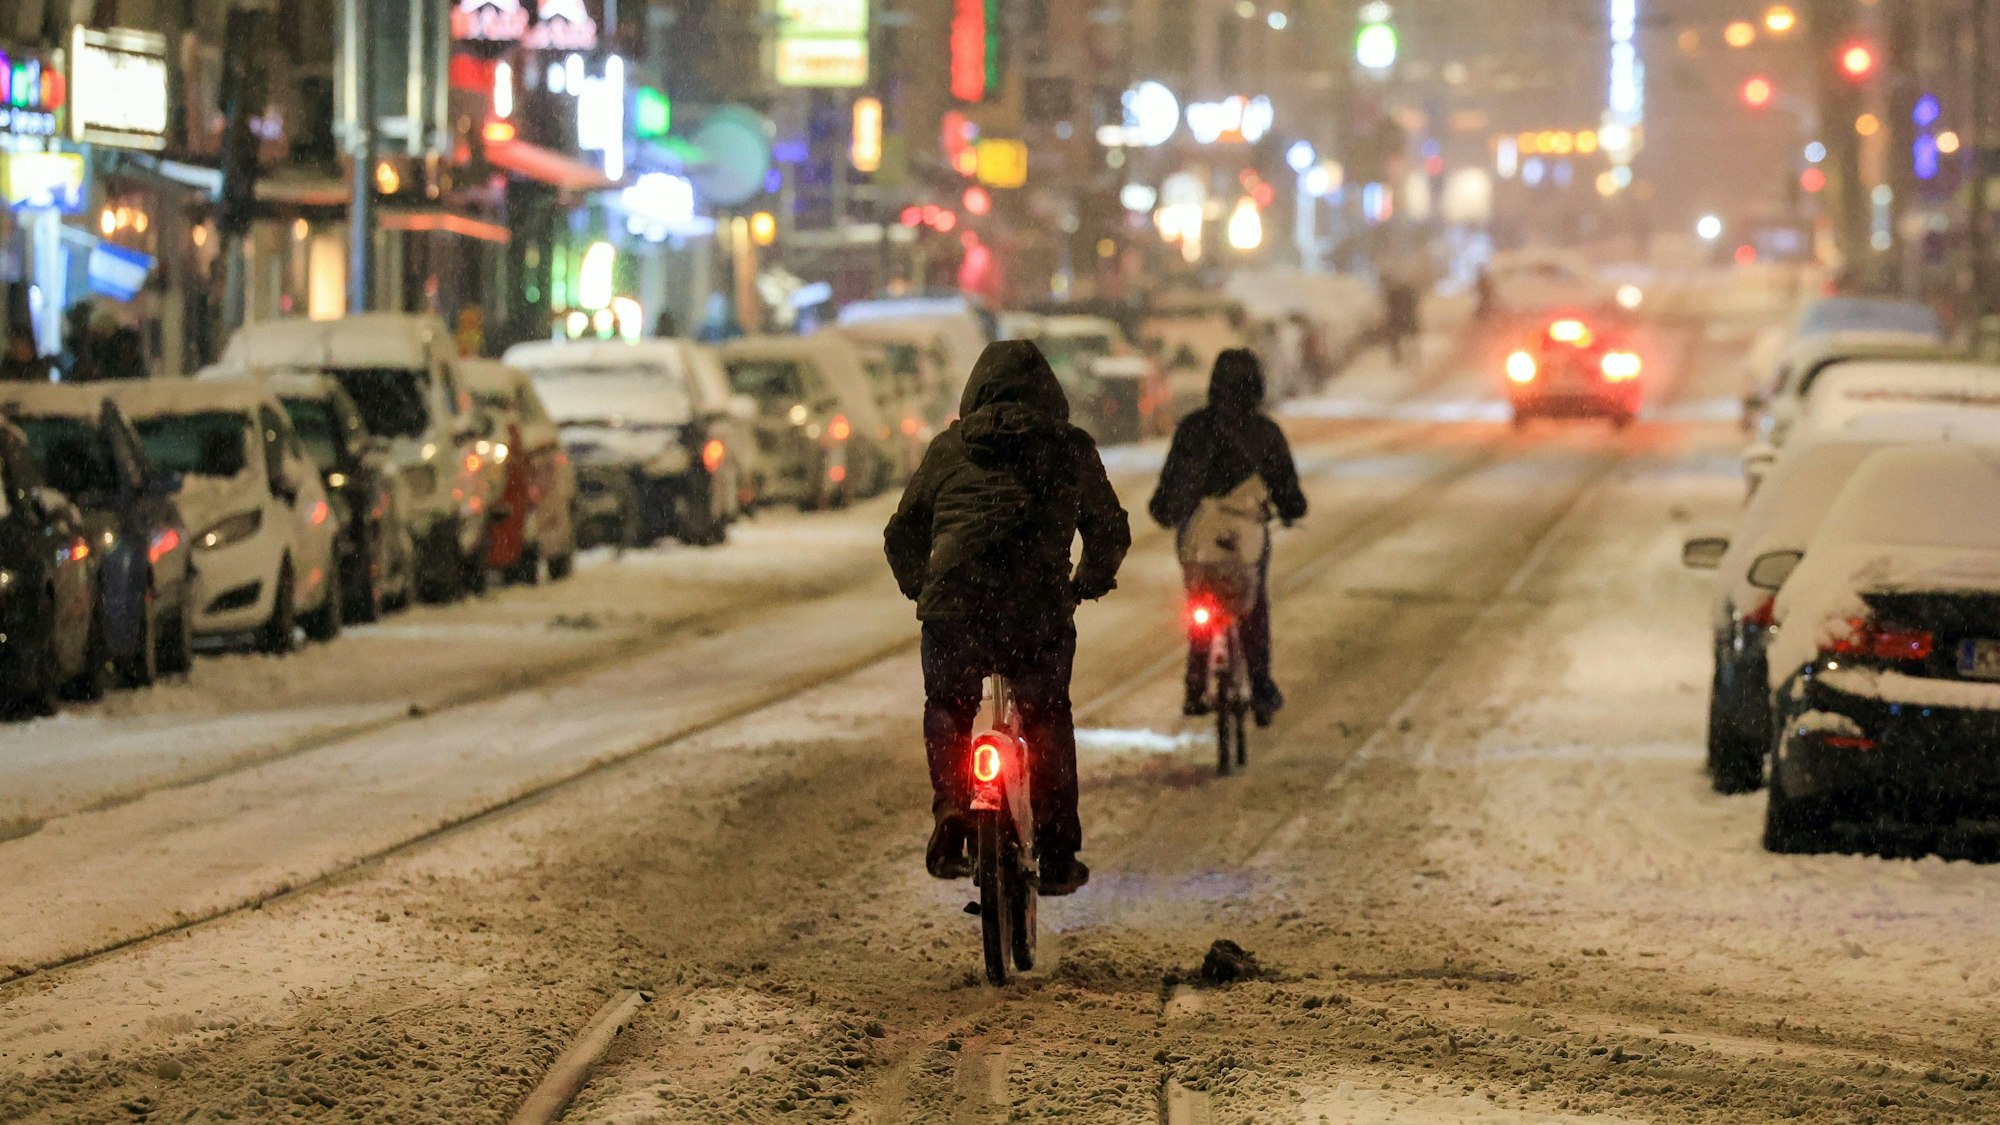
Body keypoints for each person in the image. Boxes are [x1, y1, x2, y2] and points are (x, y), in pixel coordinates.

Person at [884, 340, 1130, 896]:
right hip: (1034, 609)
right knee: (1045, 715)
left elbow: (902, 532)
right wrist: (1086, 583)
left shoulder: (950, 448)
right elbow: (1109, 528)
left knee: (948, 704)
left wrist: (924, 588)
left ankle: (952, 807)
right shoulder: (1069, 449)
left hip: (956, 606)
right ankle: (1059, 850)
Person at [1149, 349, 1308, 726]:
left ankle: (1195, 678)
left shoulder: (1193, 428)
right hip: (1245, 537)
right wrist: (1290, 508)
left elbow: (1172, 485)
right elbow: (1287, 489)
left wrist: (1167, 510)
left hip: (1199, 536)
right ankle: (1261, 684)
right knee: (1252, 603)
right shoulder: (1265, 433)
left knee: (1200, 599)